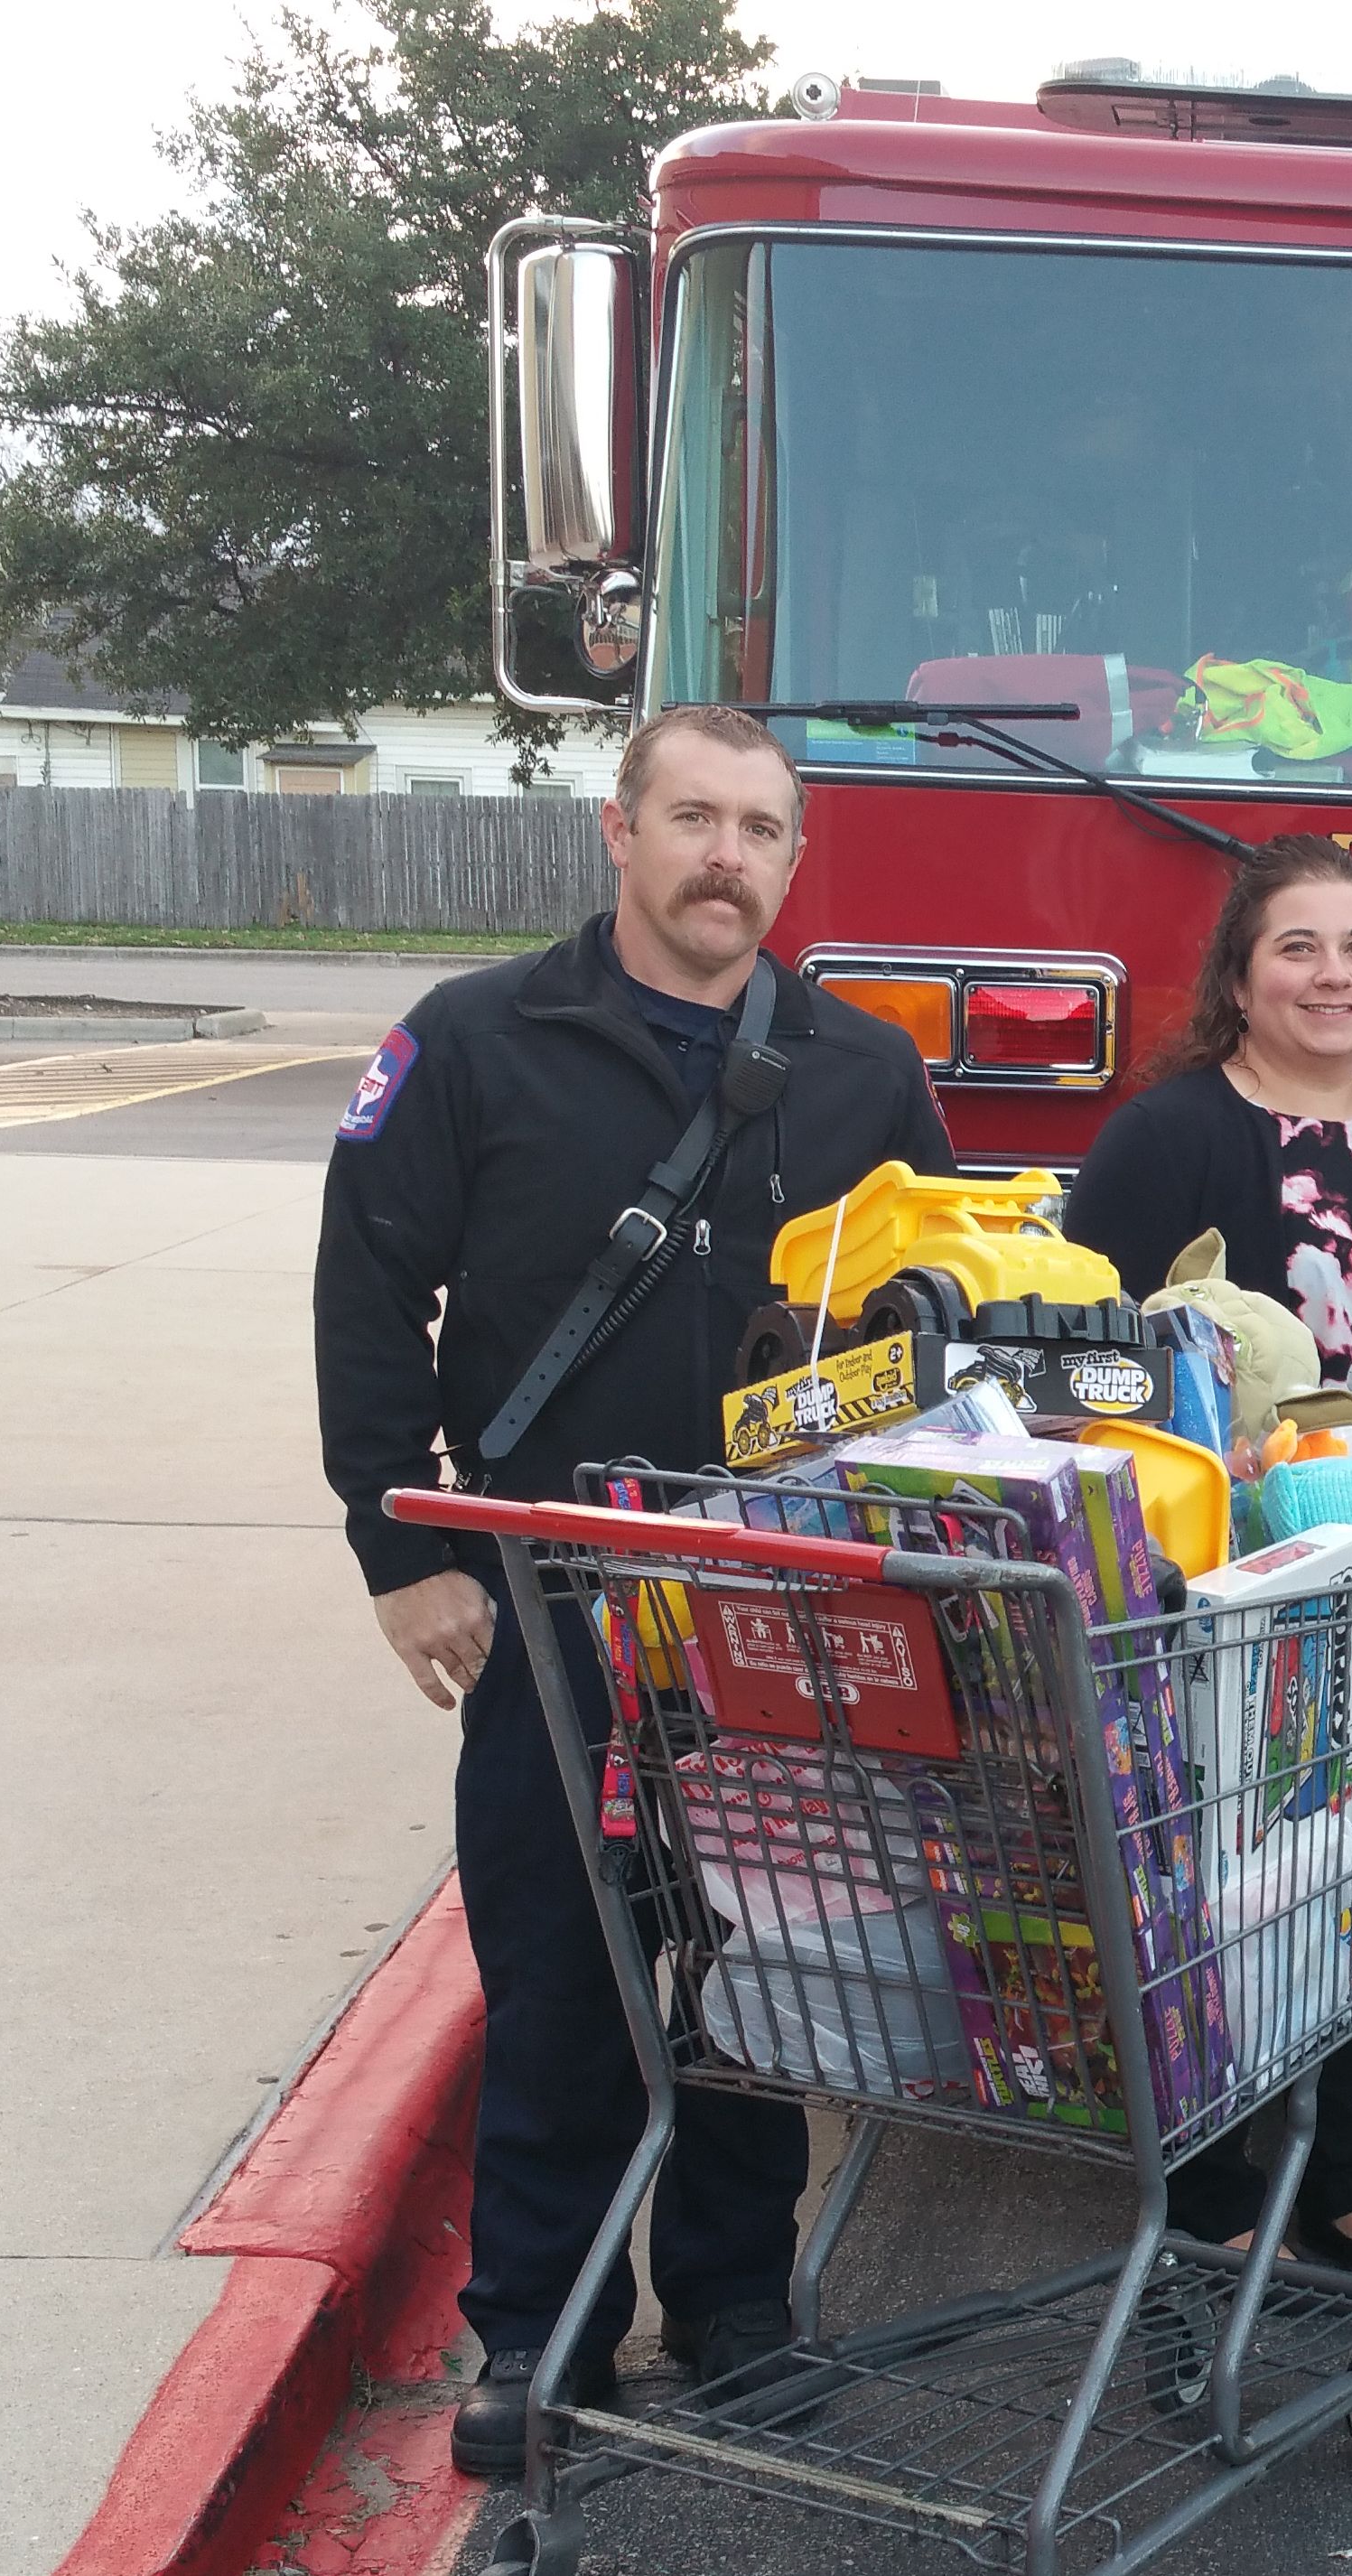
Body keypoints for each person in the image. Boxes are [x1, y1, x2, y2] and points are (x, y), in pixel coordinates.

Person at [314, 704, 955, 2477]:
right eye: (694, 818)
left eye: (760, 828)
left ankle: (738, 2307)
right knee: (562, 1963)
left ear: (793, 857)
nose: (725, 858)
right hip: (547, 1595)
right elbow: (368, 1299)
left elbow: (935, 1334)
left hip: (778, 1621)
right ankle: (544, 2331)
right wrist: (405, 1553)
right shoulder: (473, 1041)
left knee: (768, 1969)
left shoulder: (863, 1072)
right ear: (621, 829)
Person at [1065, 834, 1352, 2289]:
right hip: (1225, 1604)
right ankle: (1203, 2181)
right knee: (1213, 1895)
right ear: (1238, 976)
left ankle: (1342, 2176)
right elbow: (1089, 1362)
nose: (1333, 976)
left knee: (1351, 1884)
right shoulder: (1172, 1138)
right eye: (1297, 948)